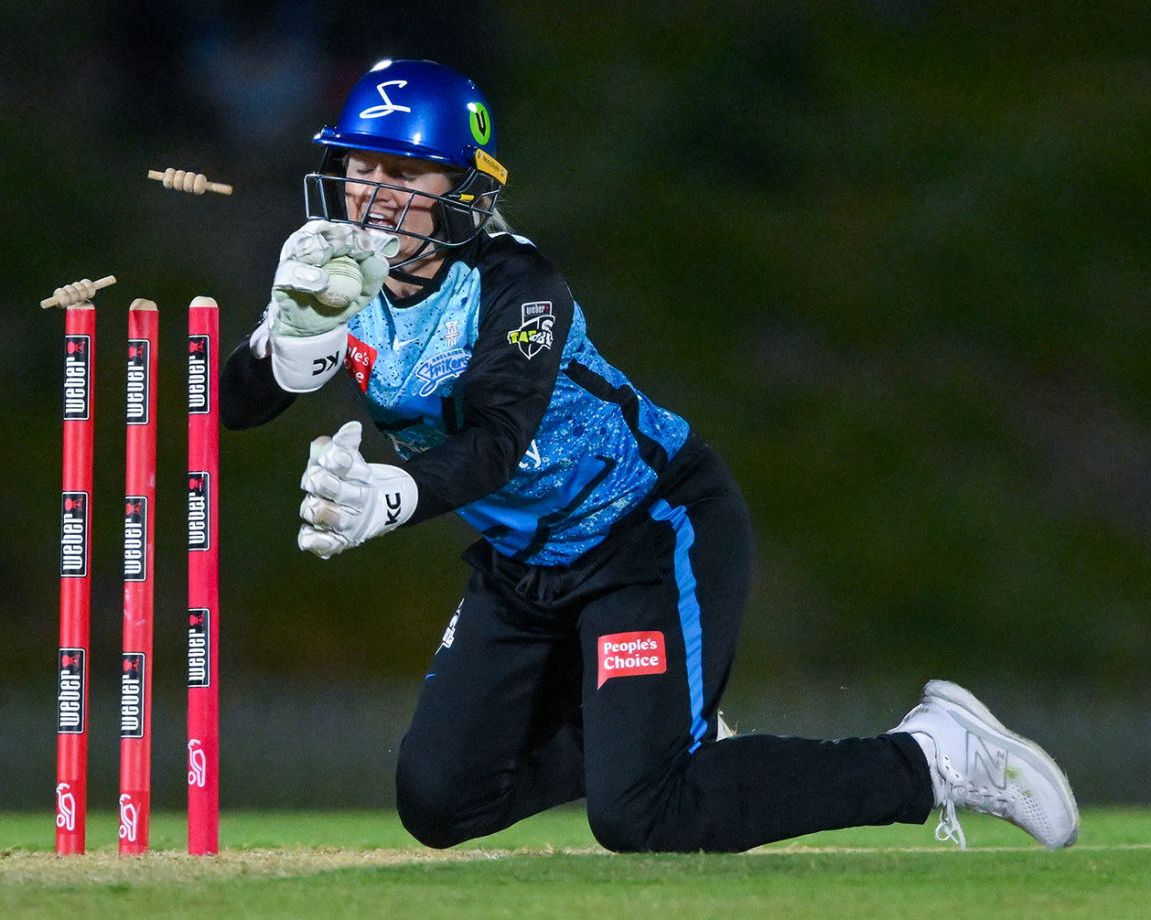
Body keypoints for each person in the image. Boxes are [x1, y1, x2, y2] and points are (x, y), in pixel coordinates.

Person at [221, 59, 1079, 852]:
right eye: (360, 169)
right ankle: (640, 726)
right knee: (439, 803)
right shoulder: (330, 273)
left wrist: (390, 495)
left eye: (403, 175)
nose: (371, 198)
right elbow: (237, 407)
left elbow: (493, 448)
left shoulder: (520, 287)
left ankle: (928, 759)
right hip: (525, 565)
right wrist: (290, 348)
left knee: (641, 815)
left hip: (648, 531)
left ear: (463, 189)